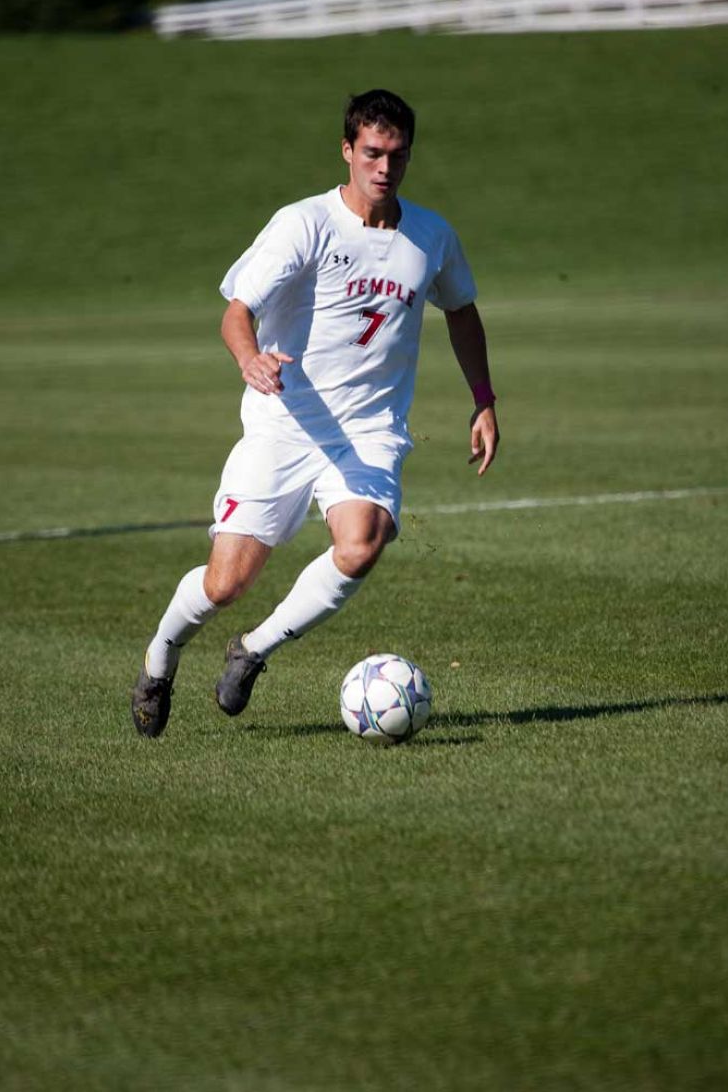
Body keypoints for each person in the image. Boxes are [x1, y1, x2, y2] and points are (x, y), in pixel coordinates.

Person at [131, 88, 499, 738]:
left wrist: (484, 400)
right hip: (284, 424)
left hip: (369, 431)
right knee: (225, 584)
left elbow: (461, 310)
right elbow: (236, 312)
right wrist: (249, 359)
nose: (384, 168)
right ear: (348, 150)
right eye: (372, 153)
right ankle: (162, 655)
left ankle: (253, 651)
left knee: (362, 544)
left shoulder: (431, 235)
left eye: (398, 155)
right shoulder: (305, 223)